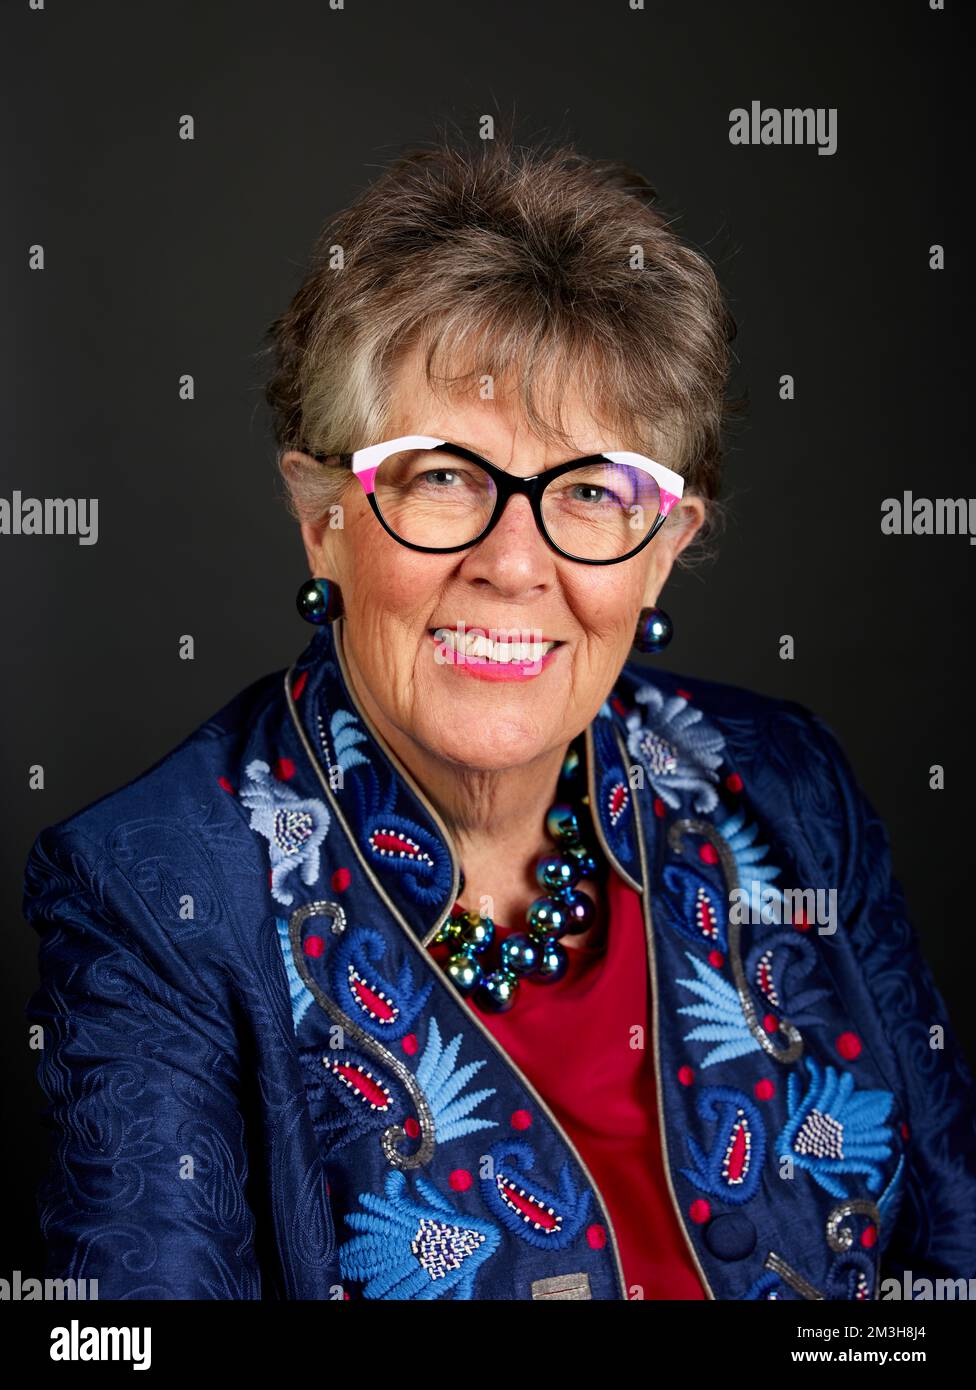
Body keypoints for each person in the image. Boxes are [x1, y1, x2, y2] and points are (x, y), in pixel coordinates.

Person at [22, 132, 976, 1302]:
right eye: (441, 476)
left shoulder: (787, 792)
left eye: (589, 491)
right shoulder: (155, 893)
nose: (513, 563)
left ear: (662, 551)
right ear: (324, 517)